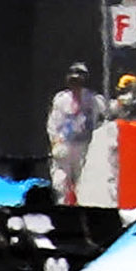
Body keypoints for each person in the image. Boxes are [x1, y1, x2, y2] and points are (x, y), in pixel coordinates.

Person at [45, 61, 105, 200]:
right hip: (64, 145)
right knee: (60, 181)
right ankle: (61, 205)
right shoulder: (61, 99)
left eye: (78, 80)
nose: (75, 84)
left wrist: (123, 101)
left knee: (83, 181)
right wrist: (55, 142)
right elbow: (53, 123)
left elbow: (109, 111)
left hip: (84, 147)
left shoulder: (93, 99)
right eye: (73, 80)